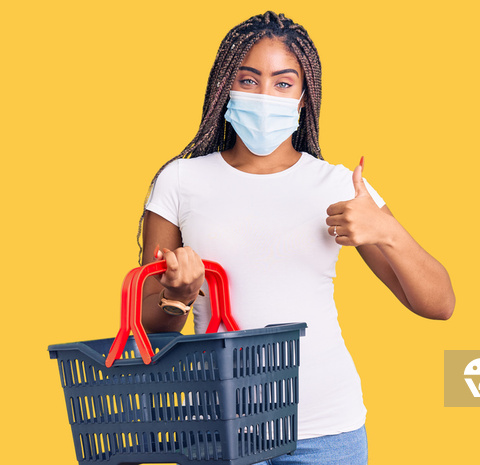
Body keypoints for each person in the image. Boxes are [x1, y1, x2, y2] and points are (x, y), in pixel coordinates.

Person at [138, 11, 455, 464]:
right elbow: (148, 330)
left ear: (304, 98)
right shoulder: (180, 181)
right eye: (249, 80)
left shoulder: (337, 185)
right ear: (225, 88)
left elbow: (439, 304)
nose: (265, 95)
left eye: (283, 83)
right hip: (219, 428)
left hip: (325, 432)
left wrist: (388, 231)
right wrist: (178, 297)